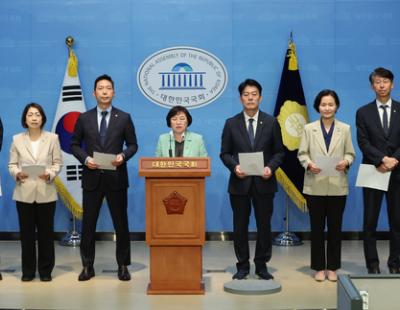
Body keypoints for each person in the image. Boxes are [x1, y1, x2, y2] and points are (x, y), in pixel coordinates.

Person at [71, 74, 138, 281]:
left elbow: (133, 145)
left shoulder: (124, 117)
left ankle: (123, 266)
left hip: (116, 177)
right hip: (92, 177)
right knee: (88, 225)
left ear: (114, 92)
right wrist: (85, 159)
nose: (105, 91)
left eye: (108, 88)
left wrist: (123, 156)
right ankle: (87, 266)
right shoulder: (84, 118)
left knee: (121, 224)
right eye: (101, 88)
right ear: (94, 93)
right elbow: (74, 145)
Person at [220, 79, 284, 280]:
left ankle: (262, 264)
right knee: (240, 227)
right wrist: (235, 166)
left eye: (254, 94)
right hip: (239, 183)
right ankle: (242, 265)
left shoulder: (272, 122)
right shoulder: (231, 123)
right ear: (241, 98)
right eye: (246, 94)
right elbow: (225, 153)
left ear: (260, 97)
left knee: (264, 225)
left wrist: (270, 168)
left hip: (264, 183)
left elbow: (279, 152)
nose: (250, 97)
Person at [298, 90, 355, 282]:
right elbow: (302, 154)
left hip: (338, 185)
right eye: (323, 104)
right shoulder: (309, 128)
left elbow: (350, 153)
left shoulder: (345, 129)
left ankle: (332, 267)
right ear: (318, 107)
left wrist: (346, 162)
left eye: (331, 104)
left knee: (335, 228)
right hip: (315, 185)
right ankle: (318, 267)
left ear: (336, 106)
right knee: (316, 228)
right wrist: (309, 164)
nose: (327, 108)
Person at [8, 103, 62, 282]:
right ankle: (28, 271)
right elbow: (12, 165)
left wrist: (50, 173)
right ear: (25, 118)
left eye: (37, 114)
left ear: (42, 118)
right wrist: (17, 173)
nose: (34, 118)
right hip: (24, 192)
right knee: (27, 235)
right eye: (30, 114)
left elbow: (57, 163)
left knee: (46, 235)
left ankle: (46, 271)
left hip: (46, 191)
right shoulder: (17, 139)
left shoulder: (52, 138)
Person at [356, 67, 400, 274]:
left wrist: (394, 160)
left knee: (397, 222)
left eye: (385, 81)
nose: (381, 85)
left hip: (398, 172)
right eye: (377, 82)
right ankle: (372, 265)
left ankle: (395, 264)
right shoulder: (363, 112)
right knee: (370, 222)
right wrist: (381, 159)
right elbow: (363, 142)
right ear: (372, 86)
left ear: (392, 84)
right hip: (373, 170)